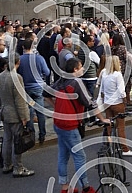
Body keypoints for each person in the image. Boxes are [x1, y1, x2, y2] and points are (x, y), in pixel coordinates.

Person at [44, 58, 107, 193]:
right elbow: (90, 103)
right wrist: (102, 118)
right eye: (81, 67)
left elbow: (45, 94)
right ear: (75, 70)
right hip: (70, 124)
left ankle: (65, 187)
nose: (83, 69)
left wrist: (56, 107)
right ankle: (85, 187)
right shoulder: (76, 82)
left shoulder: (61, 81)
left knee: (63, 154)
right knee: (79, 156)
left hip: (59, 122)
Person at [0, 53, 35, 177]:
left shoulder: (0, 76)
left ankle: (7, 164)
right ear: (18, 63)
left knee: (7, 140)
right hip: (15, 114)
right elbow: (20, 99)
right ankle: (18, 168)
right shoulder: (17, 77)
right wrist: (24, 117)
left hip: (5, 111)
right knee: (18, 142)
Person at [98, 55, 132, 156]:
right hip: (117, 103)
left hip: (107, 103)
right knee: (121, 127)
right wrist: (125, 101)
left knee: (109, 126)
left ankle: (109, 146)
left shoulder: (104, 74)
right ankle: (124, 149)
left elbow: (102, 90)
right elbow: (121, 91)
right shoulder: (117, 75)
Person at [18, 38, 50, 144]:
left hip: (26, 88)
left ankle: (31, 134)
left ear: (23, 47)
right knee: (40, 112)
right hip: (37, 88)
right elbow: (47, 72)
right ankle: (42, 134)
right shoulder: (39, 58)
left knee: (29, 111)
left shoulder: (20, 59)